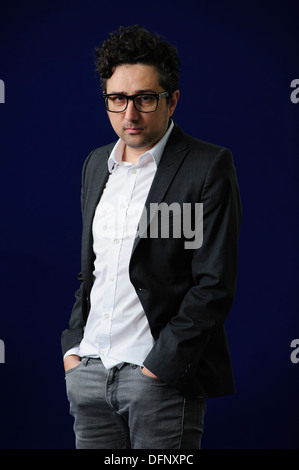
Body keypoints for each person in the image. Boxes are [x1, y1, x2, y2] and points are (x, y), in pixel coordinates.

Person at [61, 24, 242, 449]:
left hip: (157, 381)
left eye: (145, 98)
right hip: (88, 376)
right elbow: (92, 272)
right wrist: (73, 352)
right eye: (117, 99)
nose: (130, 114)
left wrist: (159, 368)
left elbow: (213, 283)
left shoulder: (205, 167)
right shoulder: (94, 165)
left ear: (171, 99)